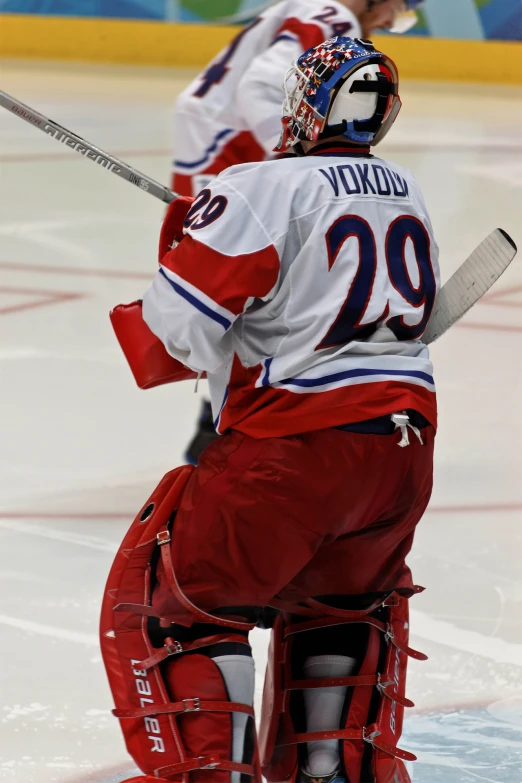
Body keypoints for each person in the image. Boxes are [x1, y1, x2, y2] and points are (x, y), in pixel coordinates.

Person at [114, 36, 438, 783]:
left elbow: (172, 339)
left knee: (184, 606)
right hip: (401, 460)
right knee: (344, 605)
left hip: (290, 453)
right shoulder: (406, 189)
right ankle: (334, 770)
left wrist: (187, 243)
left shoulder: (255, 187)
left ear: (304, 104)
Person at [171, 0, 425, 465]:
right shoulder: (335, 19)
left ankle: (223, 421)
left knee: (251, 293)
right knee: (232, 295)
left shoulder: (312, 7)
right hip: (229, 153)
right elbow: (261, 83)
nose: (390, 23)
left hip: (216, 147)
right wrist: (301, 170)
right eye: (399, 10)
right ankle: (220, 427)